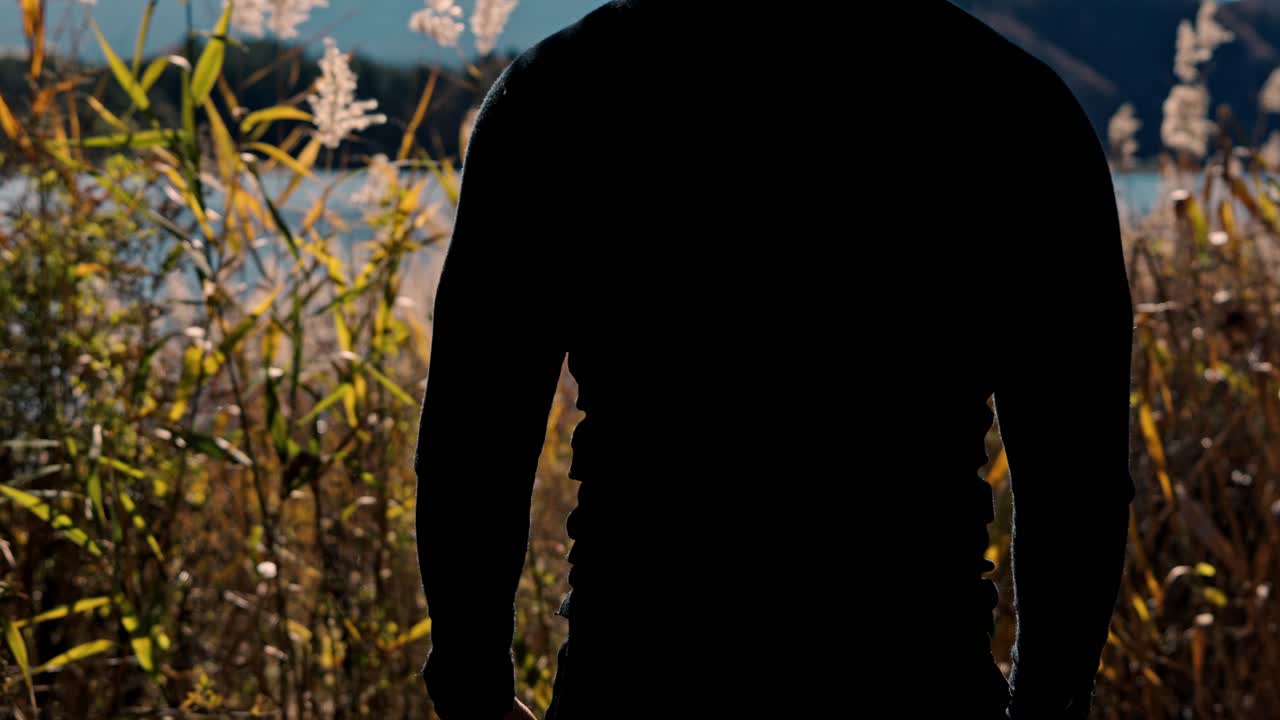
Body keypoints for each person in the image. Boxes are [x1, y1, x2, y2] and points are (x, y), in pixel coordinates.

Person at [412, 2, 1137, 718]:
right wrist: (1047, 704)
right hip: (917, 677)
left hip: (638, 675)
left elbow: (475, 433)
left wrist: (471, 687)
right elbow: (1077, 474)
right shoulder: (1012, 104)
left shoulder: (562, 90)